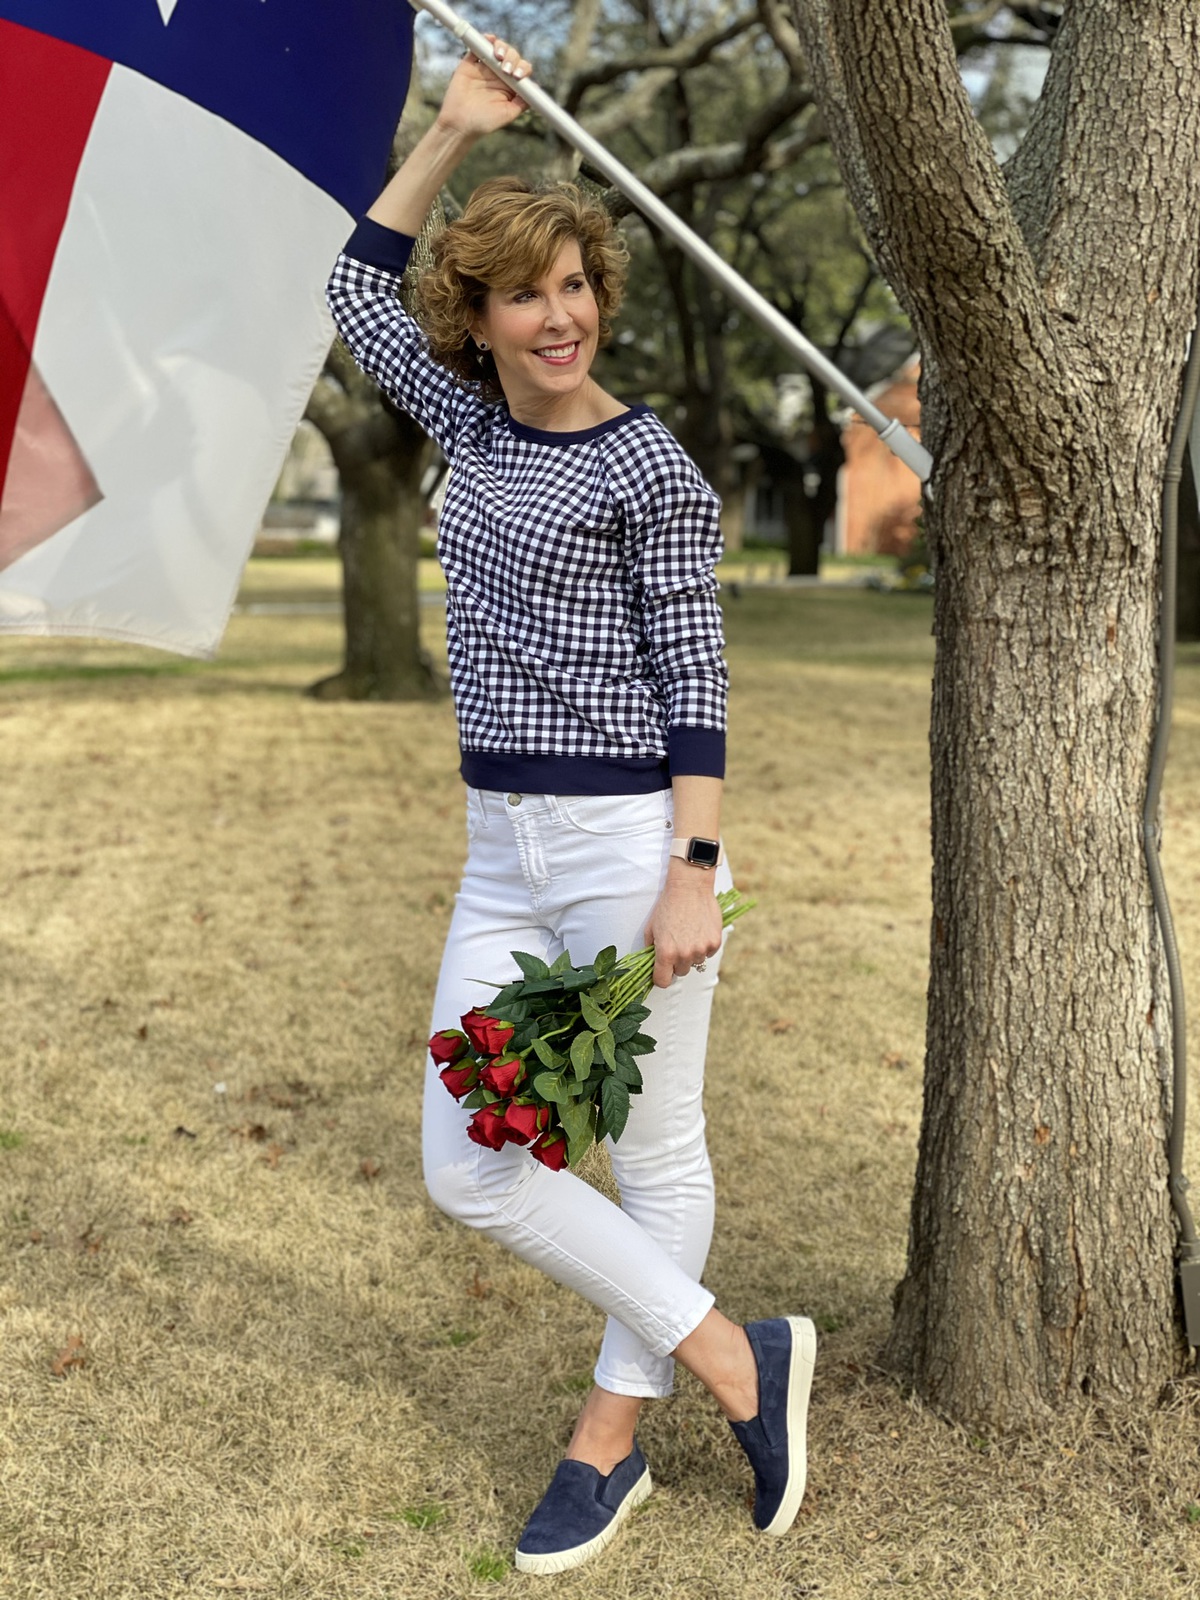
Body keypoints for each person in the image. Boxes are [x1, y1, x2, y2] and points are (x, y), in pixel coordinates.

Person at [325, 37, 816, 1577]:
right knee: (470, 1159)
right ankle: (740, 1361)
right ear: (477, 319)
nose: (560, 316)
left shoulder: (651, 467)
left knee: (651, 1150)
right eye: (523, 293)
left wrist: (697, 864)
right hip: (502, 852)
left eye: (575, 285)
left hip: (628, 847)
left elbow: (696, 677)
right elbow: (351, 293)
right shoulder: (467, 430)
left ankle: (609, 1440)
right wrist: (458, 126)